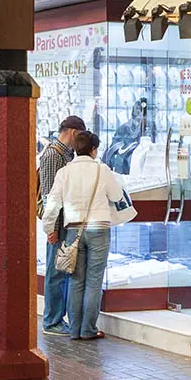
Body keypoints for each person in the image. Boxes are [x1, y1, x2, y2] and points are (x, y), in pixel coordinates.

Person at [44, 129, 122, 341]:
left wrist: (49, 229)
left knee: (76, 279)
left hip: (73, 230)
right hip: (99, 228)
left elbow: (52, 205)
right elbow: (116, 195)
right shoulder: (102, 170)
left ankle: (74, 329)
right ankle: (88, 329)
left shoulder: (65, 172)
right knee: (94, 281)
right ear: (94, 150)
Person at [38, 116, 85, 336]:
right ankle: (52, 321)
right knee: (55, 272)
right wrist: (52, 229)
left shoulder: (67, 154)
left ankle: (58, 318)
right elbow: (49, 195)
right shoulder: (52, 154)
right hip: (59, 223)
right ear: (74, 132)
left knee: (63, 269)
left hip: (67, 220)